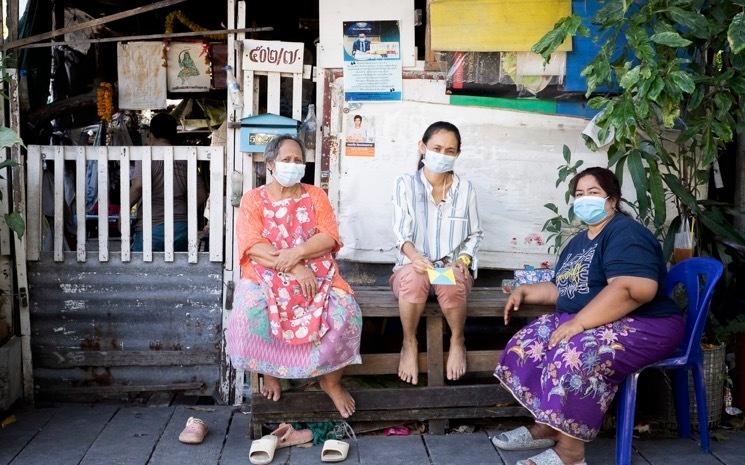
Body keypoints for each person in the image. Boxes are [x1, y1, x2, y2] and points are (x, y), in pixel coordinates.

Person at [493, 167, 685, 465]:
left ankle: (570, 454)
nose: (585, 200)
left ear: (613, 199)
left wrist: (579, 323)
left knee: (577, 351)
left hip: (648, 325)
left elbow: (634, 288)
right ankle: (549, 424)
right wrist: (525, 291)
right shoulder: (578, 242)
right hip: (601, 319)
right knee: (534, 338)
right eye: (579, 194)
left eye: (593, 193)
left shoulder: (625, 232)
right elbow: (562, 288)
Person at [225, 135, 362, 418]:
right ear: (270, 164)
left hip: (318, 273)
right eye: (286, 160)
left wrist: (299, 254)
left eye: (298, 160)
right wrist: (293, 267)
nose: (293, 164)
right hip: (266, 273)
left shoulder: (315, 196)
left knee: (346, 312)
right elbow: (252, 245)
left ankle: (331, 381)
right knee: (248, 311)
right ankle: (269, 373)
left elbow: (329, 236)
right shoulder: (253, 199)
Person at [391, 121, 483, 385]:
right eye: (437, 148)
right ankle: (409, 342)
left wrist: (463, 260)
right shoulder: (405, 184)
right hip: (414, 267)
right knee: (415, 278)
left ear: (457, 155)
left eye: (450, 151)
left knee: (450, 280)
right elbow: (400, 235)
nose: (442, 155)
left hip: (446, 268)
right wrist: (415, 257)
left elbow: (475, 233)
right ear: (422, 147)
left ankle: (457, 340)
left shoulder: (465, 189)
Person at [130, 113, 207, 252]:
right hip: (182, 228)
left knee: (141, 271)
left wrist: (122, 212)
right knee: (177, 272)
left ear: (151, 134)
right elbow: (201, 194)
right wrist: (183, 211)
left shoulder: (146, 154)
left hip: (152, 229)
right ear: (174, 134)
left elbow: (138, 186)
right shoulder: (185, 157)